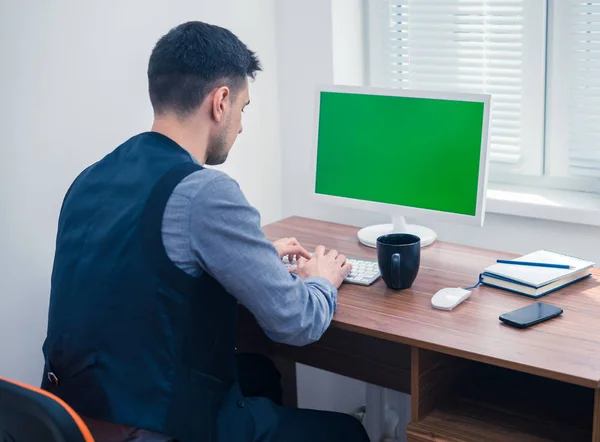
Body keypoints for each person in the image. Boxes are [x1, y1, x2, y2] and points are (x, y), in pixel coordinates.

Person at [40, 20, 370, 442]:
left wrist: (254, 256)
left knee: (260, 373)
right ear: (221, 101)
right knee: (345, 433)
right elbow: (296, 322)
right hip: (153, 425)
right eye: (243, 109)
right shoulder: (204, 192)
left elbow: (139, 263)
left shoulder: (92, 176)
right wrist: (322, 281)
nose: (242, 126)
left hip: (77, 414)